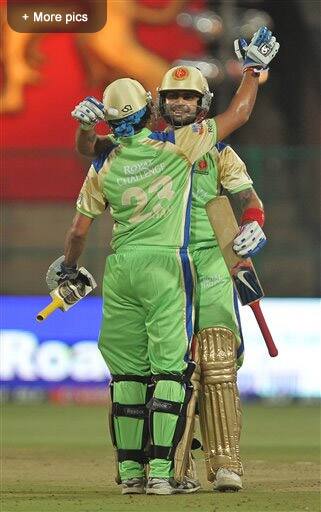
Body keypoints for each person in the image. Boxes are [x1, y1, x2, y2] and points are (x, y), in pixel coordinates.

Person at [71, 27, 278, 494]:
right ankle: (173, 466)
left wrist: (254, 226)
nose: (181, 103)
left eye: (190, 97)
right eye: (173, 97)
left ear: (202, 105)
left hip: (211, 260)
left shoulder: (217, 149)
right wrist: (87, 128)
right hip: (169, 265)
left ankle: (226, 464)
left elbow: (249, 200)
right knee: (173, 367)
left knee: (217, 358)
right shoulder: (153, 149)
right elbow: (94, 152)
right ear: (159, 104)